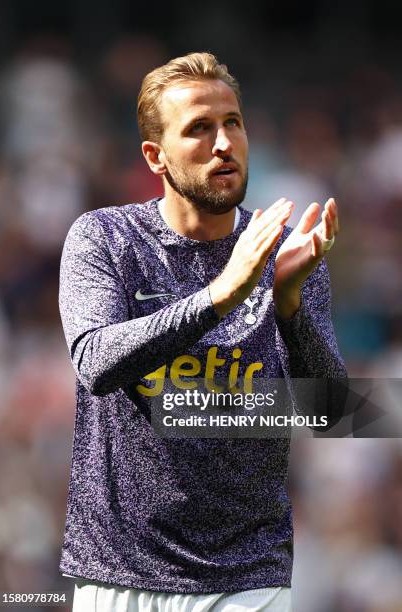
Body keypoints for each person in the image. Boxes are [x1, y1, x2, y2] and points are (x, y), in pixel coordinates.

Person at [59, 52, 347, 612]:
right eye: (199, 128)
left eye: (232, 122)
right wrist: (221, 295)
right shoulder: (105, 239)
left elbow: (334, 412)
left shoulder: (284, 252)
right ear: (156, 157)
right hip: (118, 567)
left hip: (248, 572)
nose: (223, 144)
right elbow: (95, 361)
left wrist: (289, 308)